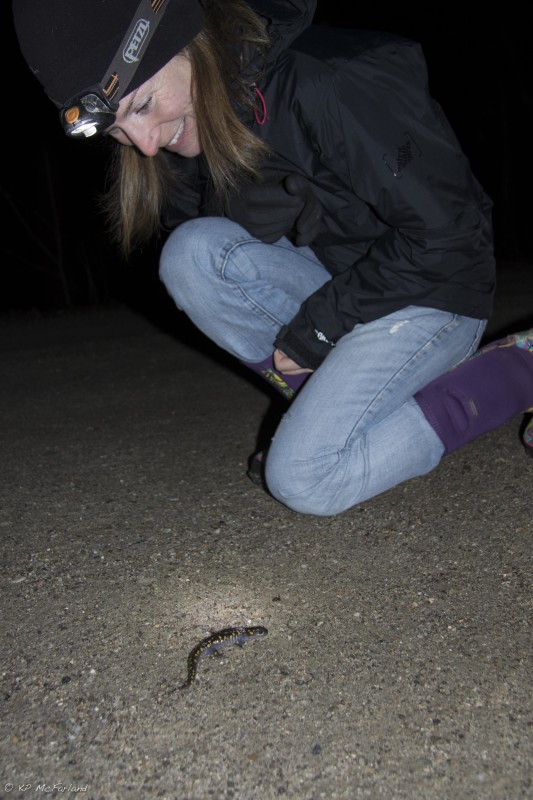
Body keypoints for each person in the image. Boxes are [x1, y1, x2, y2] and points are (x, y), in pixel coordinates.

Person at [12, 0, 532, 516]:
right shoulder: (193, 124)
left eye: (142, 106)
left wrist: (319, 327)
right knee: (191, 255)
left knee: (303, 480)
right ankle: (337, 416)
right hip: (353, 298)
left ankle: (520, 367)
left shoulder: (329, 79)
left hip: (436, 295)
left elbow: (455, 239)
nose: (144, 144)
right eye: (116, 130)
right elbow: (217, 258)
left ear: (182, 40)